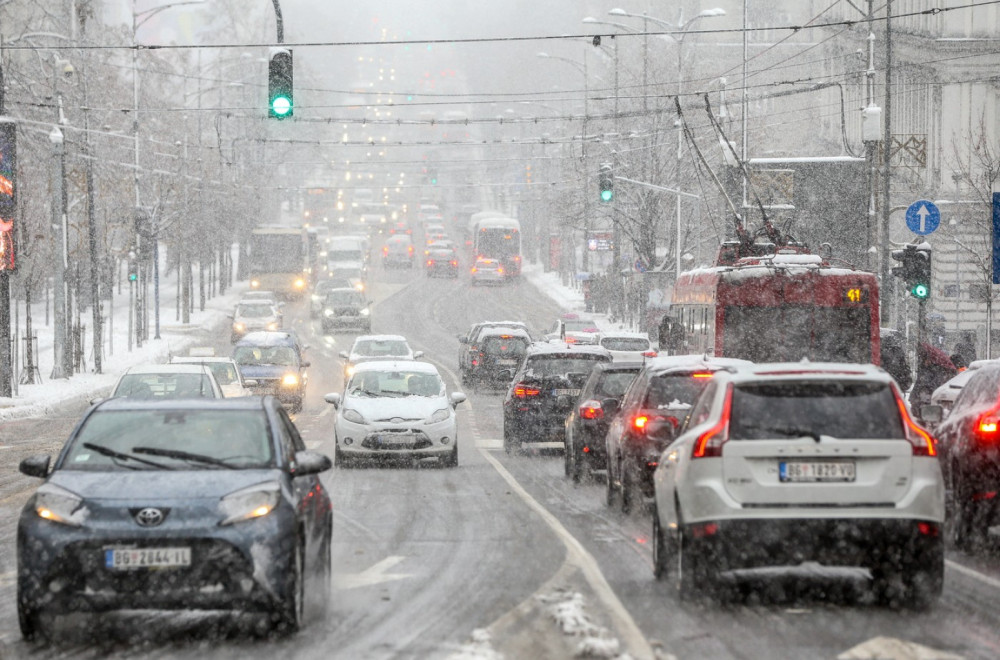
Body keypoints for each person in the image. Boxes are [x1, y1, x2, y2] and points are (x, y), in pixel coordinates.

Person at [910, 342, 958, 407]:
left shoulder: (936, 369)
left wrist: (915, 396)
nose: (925, 362)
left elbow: (929, 385)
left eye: (924, 358)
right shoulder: (930, 368)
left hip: (930, 401)